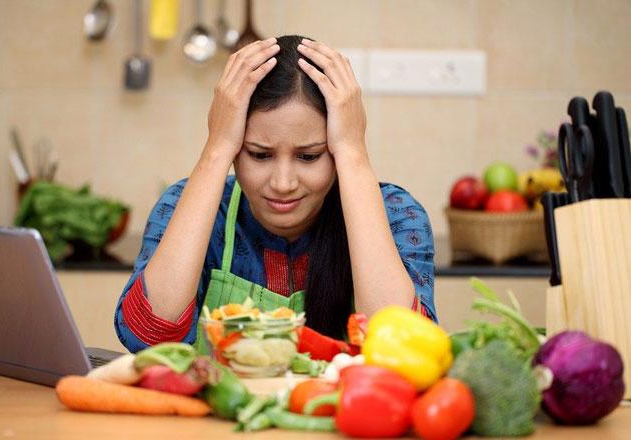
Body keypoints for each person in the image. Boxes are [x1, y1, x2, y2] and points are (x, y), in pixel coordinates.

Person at [114, 35, 435, 353]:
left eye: (309, 156)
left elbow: (403, 348)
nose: (283, 183)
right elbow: (149, 337)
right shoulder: (189, 206)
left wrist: (353, 152)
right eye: (259, 155)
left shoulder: (396, 215)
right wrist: (216, 147)